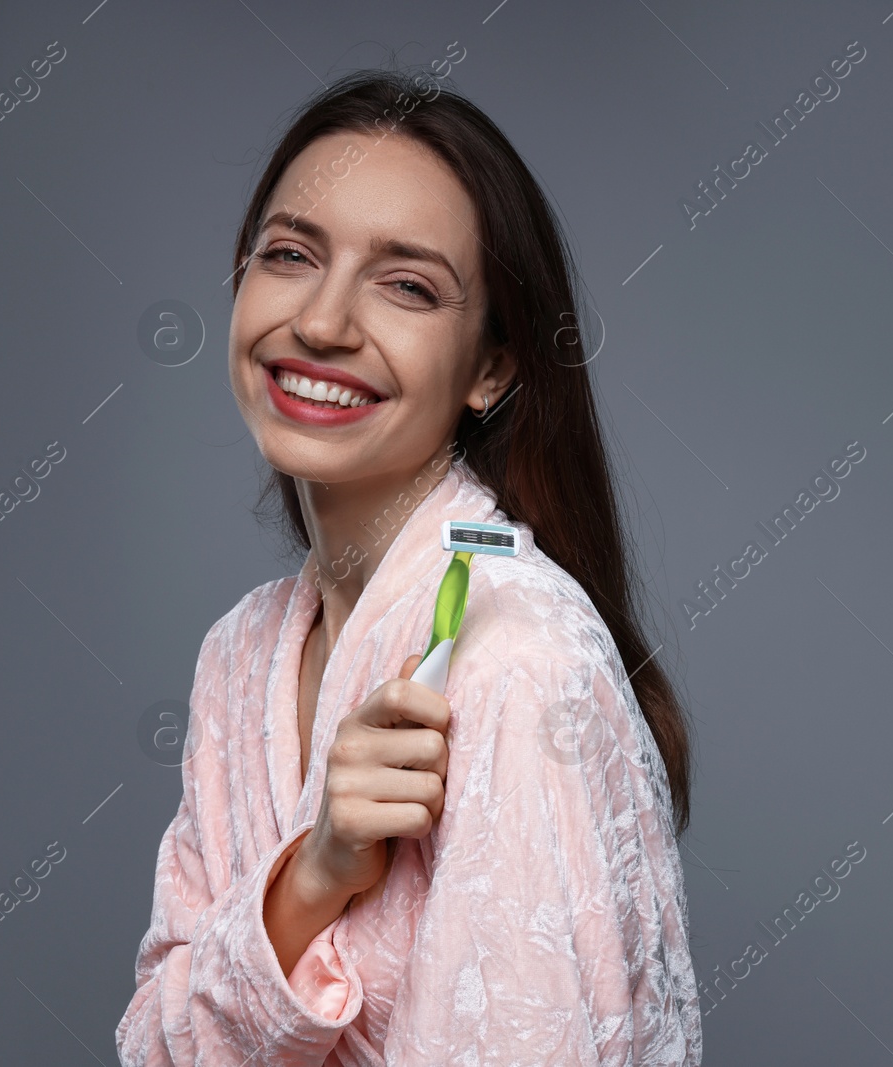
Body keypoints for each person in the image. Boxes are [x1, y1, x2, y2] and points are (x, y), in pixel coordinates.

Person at [115, 67, 702, 1065]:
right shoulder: (239, 656)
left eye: (408, 285)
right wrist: (316, 873)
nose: (325, 322)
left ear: (492, 366)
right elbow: (153, 1041)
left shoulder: (517, 661)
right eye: (291, 254)